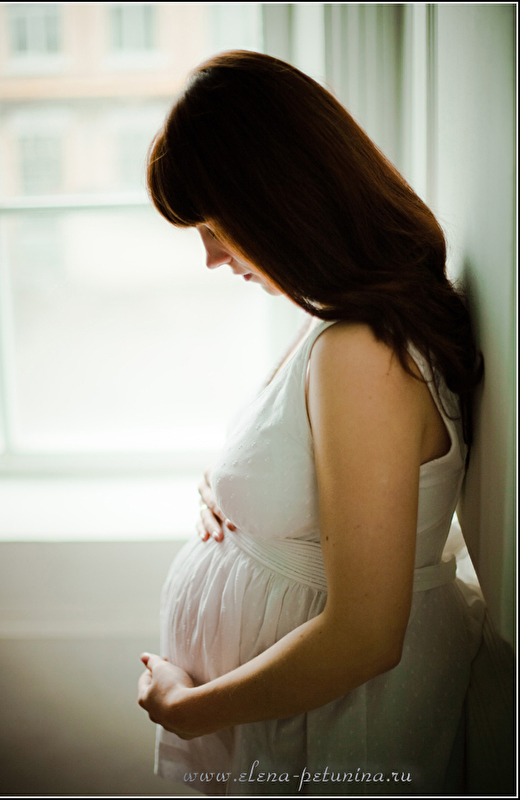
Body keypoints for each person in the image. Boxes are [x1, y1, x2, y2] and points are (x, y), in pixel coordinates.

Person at [136, 50, 490, 796]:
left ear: (279, 202)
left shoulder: (364, 351)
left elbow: (363, 638)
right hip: (298, 723)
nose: (210, 258)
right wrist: (231, 492)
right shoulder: (341, 321)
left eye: (216, 226)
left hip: (338, 727)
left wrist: (187, 710)